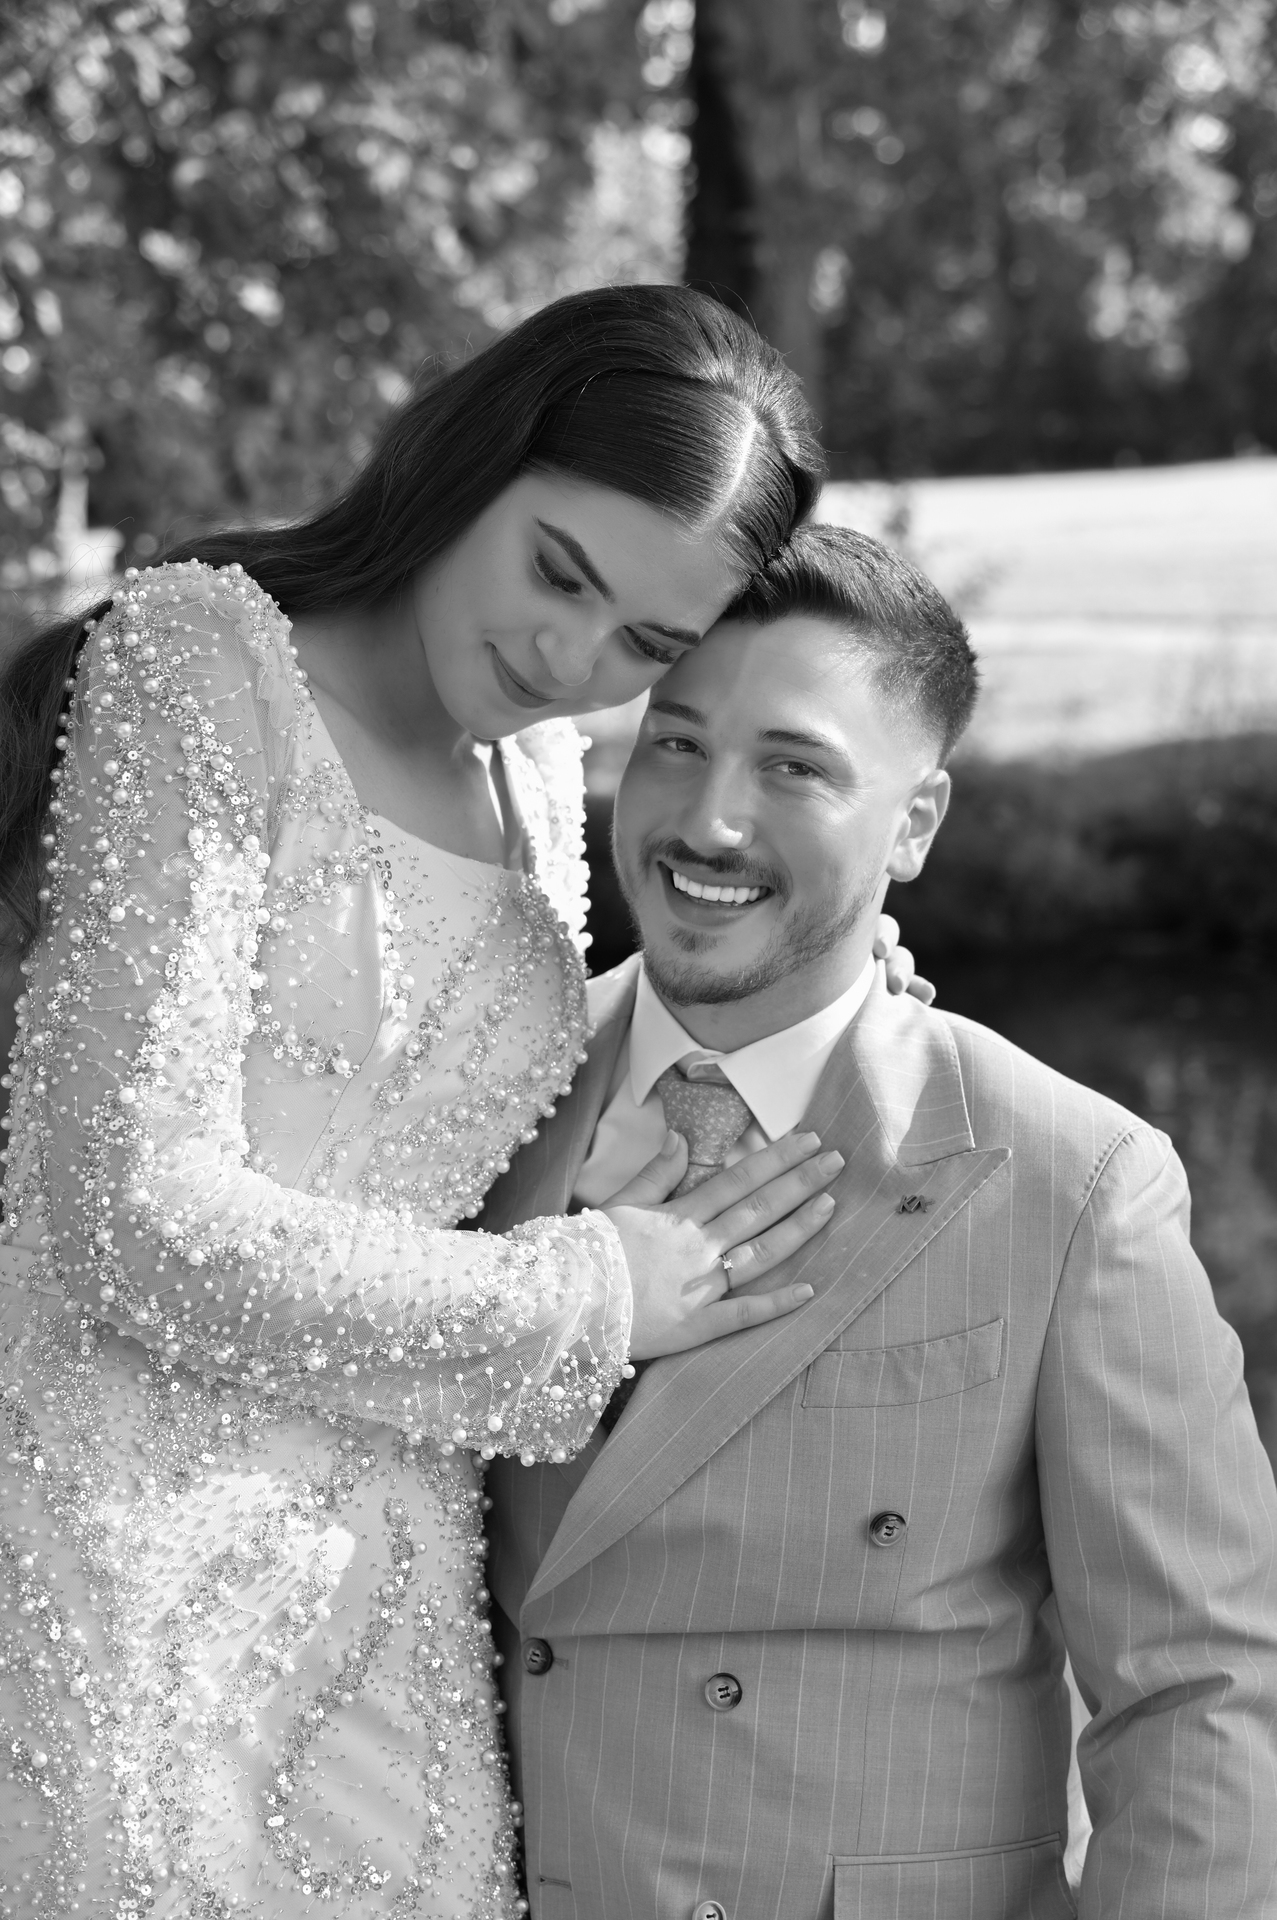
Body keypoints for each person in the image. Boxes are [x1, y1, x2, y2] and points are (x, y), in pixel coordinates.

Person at [0, 287, 910, 1917]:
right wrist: (590, 1294)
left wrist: (810, 970)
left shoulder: (537, 768)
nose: (568, 660)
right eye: (559, 572)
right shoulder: (208, 666)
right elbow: (125, 1211)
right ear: (477, 455)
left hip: (393, 1595)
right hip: (120, 1567)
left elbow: (463, 1073)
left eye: (644, 647)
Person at [481, 522, 1277, 1920]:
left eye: (793, 767)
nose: (707, 822)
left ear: (913, 825)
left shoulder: (1069, 1180)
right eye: (675, 742)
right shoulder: (477, 1096)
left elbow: (1197, 1692)